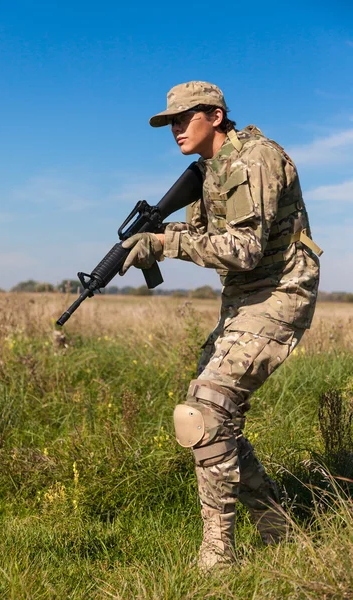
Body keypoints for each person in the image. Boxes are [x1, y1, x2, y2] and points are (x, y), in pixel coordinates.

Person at [120, 81, 321, 570]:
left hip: (279, 294)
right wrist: (158, 236)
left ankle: (217, 556)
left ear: (214, 115)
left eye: (183, 119)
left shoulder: (255, 158)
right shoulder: (208, 172)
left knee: (205, 410)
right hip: (242, 299)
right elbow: (207, 236)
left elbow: (245, 251)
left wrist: (164, 244)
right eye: (169, 122)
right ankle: (276, 528)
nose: (174, 130)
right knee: (208, 412)